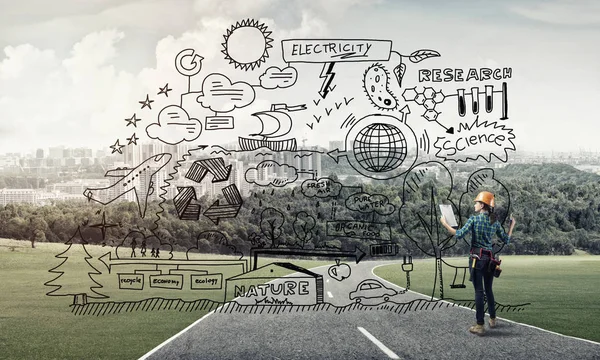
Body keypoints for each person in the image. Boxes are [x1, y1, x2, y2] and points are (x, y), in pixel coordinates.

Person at [440, 191, 516, 336]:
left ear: (482, 205)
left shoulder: (474, 220)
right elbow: (506, 240)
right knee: (489, 290)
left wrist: (444, 223)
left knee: (479, 292)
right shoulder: (494, 222)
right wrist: (511, 226)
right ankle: (493, 319)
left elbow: (459, 234)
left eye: (476, 202)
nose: (474, 205)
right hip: (490, 260)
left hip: (477, 259)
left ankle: (480, 325)